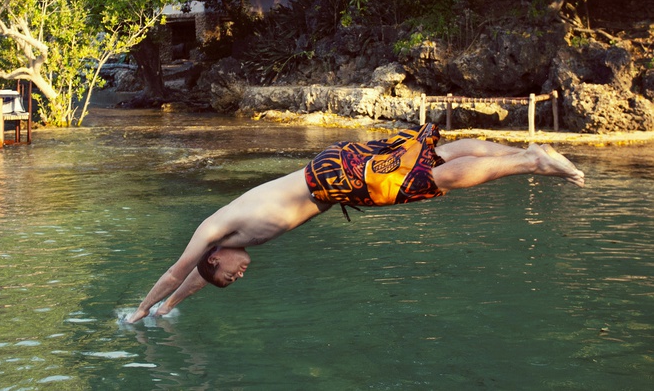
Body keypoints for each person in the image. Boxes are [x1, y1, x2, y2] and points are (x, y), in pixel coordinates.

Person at [125, 123, 584, 323]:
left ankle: (530, 163)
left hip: (332, 180)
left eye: (230, 274)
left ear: (215, 257)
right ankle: (529, 152)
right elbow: (191, 281)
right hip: (333, 169)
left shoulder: (211, 229)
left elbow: (175, 272)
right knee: (429, 157)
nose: (239, 274)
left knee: (429, 180)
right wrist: (168, 310)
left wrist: (141, 310)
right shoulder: (227, 242)